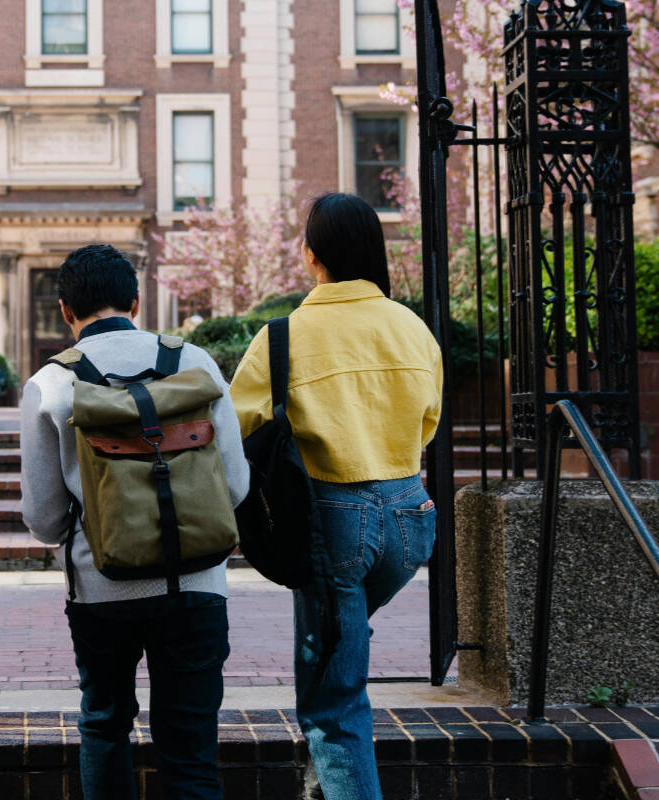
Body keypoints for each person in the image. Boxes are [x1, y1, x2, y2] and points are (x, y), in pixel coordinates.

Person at [230, 193, 443, 800]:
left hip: (332, 522)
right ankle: (325, 783)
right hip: (410, 516)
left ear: (311, 255)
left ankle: (337, 776)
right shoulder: (413, 329)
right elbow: (428, 420)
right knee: (339, 646)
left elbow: (239, 431)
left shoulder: (283, 338)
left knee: (334, 700)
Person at [19, 243, 249, 800]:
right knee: (191, 748)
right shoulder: (195, 363)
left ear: (66, 311)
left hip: (100, 589)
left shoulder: (50, 384)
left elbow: (45, 520)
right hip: (196, 583)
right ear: (137, 301)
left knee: (104, 725)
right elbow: (236, 486)